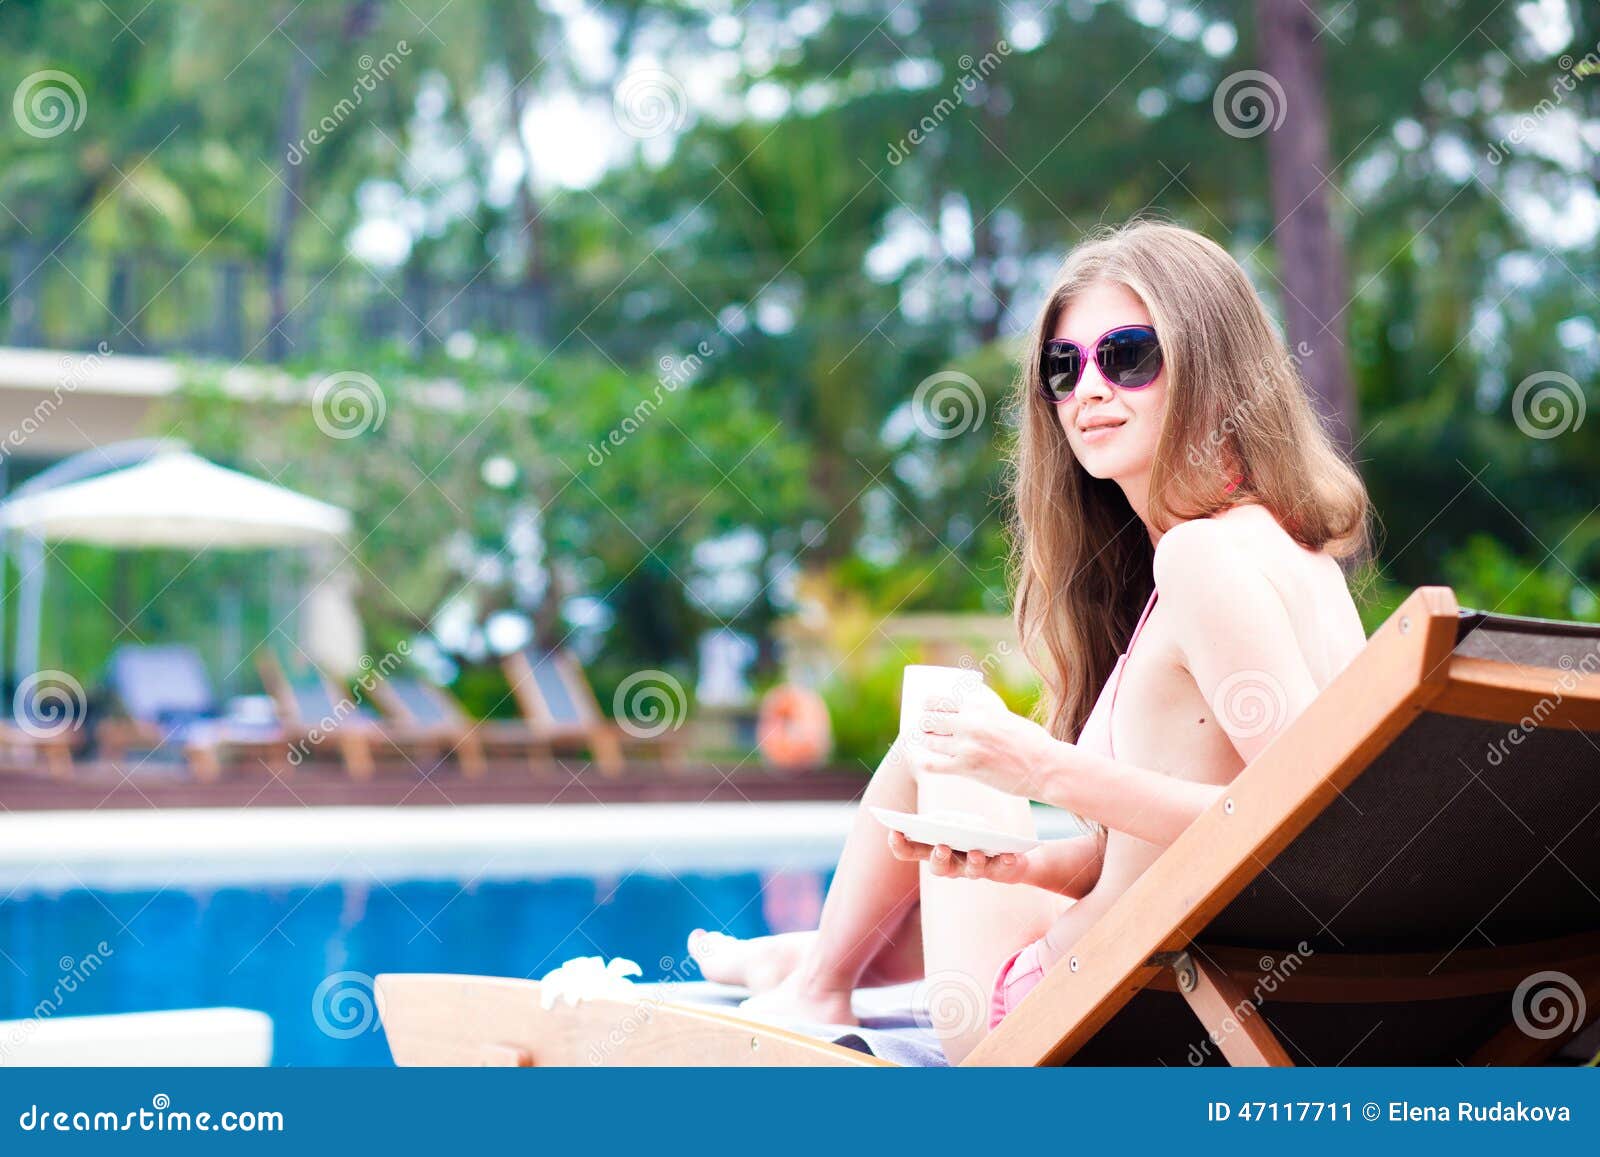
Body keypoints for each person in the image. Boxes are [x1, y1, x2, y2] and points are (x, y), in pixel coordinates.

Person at [689, 220, 1371, 1063]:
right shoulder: (1296, 555)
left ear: (1215, 366)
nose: (1089, 388)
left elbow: (1300, 828)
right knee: (957, 786)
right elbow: (1197, 840)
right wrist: (1030, 865)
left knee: (942, 718)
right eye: (1064, 366)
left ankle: (819, 984)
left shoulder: (1203, 556)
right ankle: (813, 963)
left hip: (1075, 1020)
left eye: (1128, 355)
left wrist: (1041, 766)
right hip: (1171, 988)